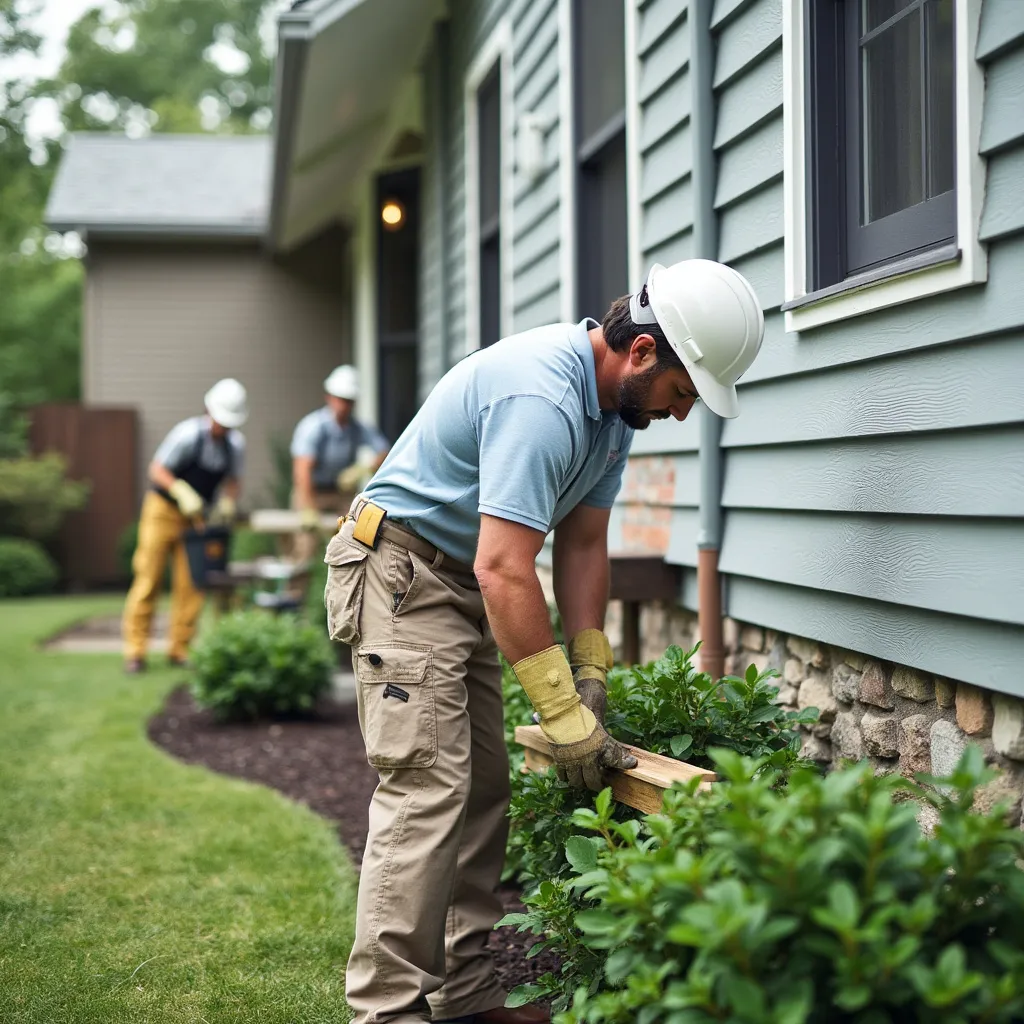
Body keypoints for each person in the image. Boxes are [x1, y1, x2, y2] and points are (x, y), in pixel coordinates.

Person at [324, 259, 765, 1024]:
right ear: (642, 353)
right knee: (427, 789)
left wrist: (589, 677)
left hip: (463, 580)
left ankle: (462, 992)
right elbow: (505, 569)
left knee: (484, 791)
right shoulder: (544, 396)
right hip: (403, 572)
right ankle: (387, 1010)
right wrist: (562, 716)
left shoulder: (613, 418)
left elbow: (584, 547)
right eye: (682, 392)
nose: (682, 413)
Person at [122, 378, 248, 674]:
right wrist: (180, 490)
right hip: (162, 511)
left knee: (191, 584)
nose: (224, 428)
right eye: (221, 421)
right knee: (148, 579)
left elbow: (233, 481)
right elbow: (157, 469)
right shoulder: (187, 434)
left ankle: (180, 649)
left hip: (196, 519)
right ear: (209, 411)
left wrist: (228, 502)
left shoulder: (235, 445)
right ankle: (135, 651)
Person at [290, 364, 389, 563]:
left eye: (349, 401)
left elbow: (385, 452)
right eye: (341, 399)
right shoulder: (313, 427)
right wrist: (309, 508)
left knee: (354, 542)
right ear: (329, 397)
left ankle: (345, 591)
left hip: (339, 493)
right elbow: (302, 471)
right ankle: (295, 593)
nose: (344, 405)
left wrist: (362, 469)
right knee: (304, 549)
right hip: (311, 491)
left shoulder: (357, 428)